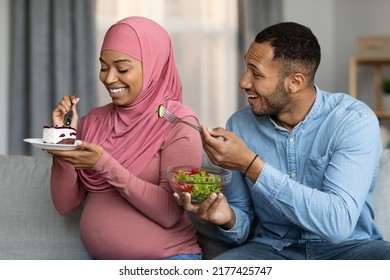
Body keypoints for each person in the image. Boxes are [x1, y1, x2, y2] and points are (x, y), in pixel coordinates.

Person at [176, 22, 390, 259]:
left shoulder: (353, 121)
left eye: (256, 73)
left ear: (294, 83)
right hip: (272, 249)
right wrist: (227, 218)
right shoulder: (239, 125)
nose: (244, 82)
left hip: (351, 250)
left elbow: (337, 225)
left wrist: (252, 166)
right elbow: (241, 224)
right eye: (246, 68)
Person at [45, 16, 203, 260]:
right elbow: (65, 205)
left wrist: (103, 164)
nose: (109, 79)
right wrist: (64, 142)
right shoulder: (93, 121)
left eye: (123, 68)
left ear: (154, 66)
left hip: (166, 261)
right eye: (104, 67)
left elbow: (170, 212)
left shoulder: (179, 122)